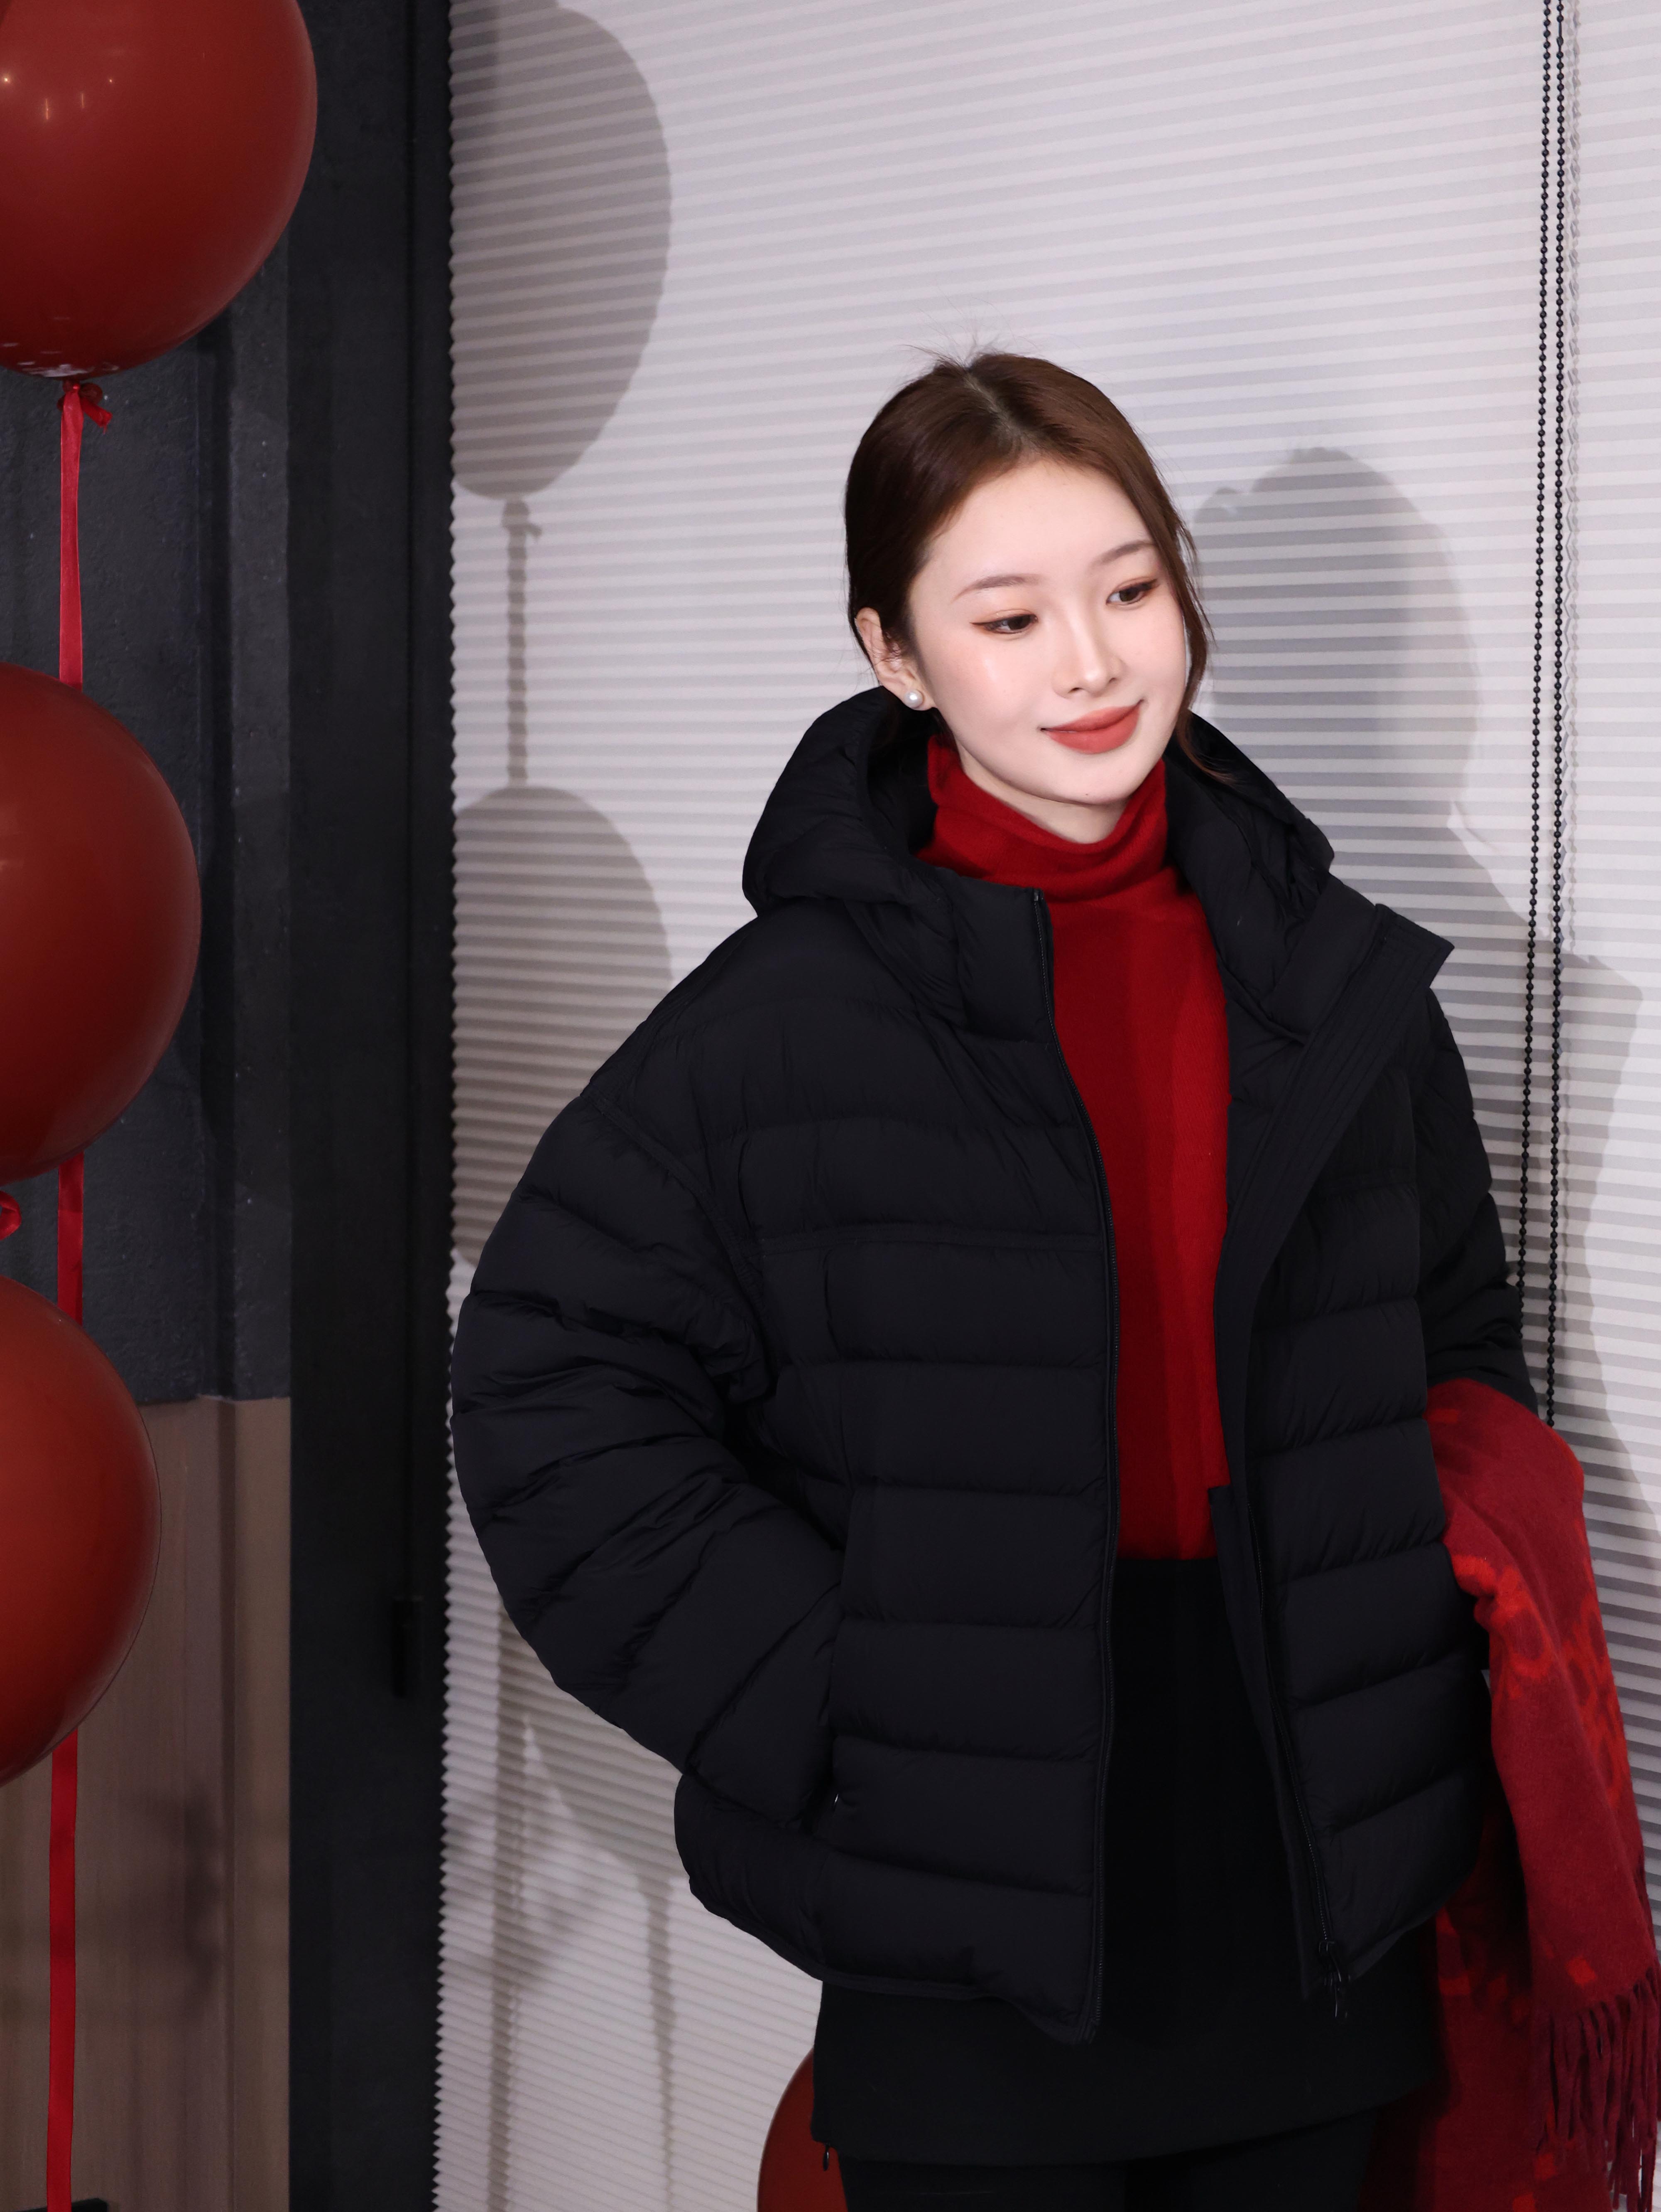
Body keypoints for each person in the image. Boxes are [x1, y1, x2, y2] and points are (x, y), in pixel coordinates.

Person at [451, 353, 1537, 2210]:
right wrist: (832, 1692)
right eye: (1009, 617)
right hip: (967, 1919)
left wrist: (1408, 1680)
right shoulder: (785, 1022)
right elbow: (549, 1382)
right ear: (895, 656)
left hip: (1305, 1897)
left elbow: (1450, 1360)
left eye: (1130, 588)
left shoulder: (1334, 990)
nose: (1091, 664)